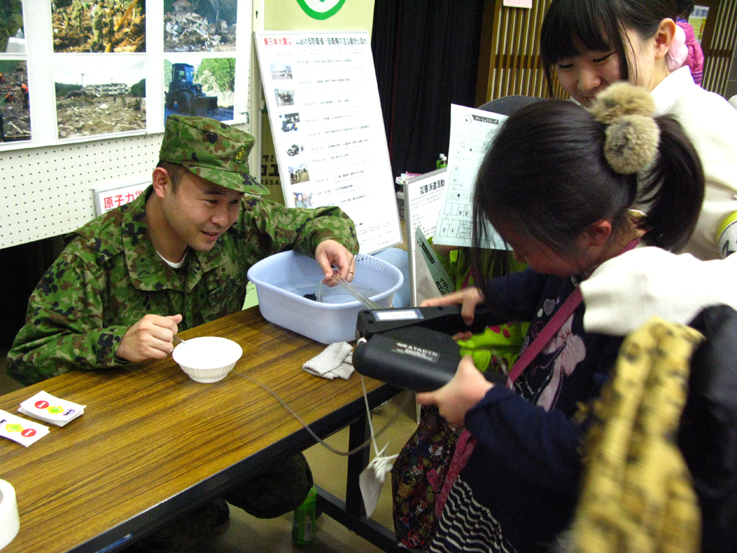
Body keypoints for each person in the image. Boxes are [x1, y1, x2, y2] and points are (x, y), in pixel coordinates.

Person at [7, 115, 359, 550]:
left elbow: (321, 220)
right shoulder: (94, 256)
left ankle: (206, 499)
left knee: (285, 487)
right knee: (176, 535)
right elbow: (27, 355)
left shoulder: (236, 221)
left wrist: (327, 240)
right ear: (161, 183)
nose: (223, 218)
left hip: (218, 408)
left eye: (233, 202)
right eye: (210, 200)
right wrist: (114, 343)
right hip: (135, 430)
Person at [417, 83, 704, 552]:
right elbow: (543, 285)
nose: (516, 253)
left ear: (596, 234)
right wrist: (485, 296)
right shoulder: (583, 253)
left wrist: (482, 403)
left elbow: (586, 457)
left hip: (540, 522)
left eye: (524, 246)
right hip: (503, 478)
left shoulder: (643, 318)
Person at [539, 0, 737, 336]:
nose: (585, 82)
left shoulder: (702, 125)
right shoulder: (605, 117)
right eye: (566, 65)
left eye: (601, 58)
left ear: (661, 39)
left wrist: (647, 285)